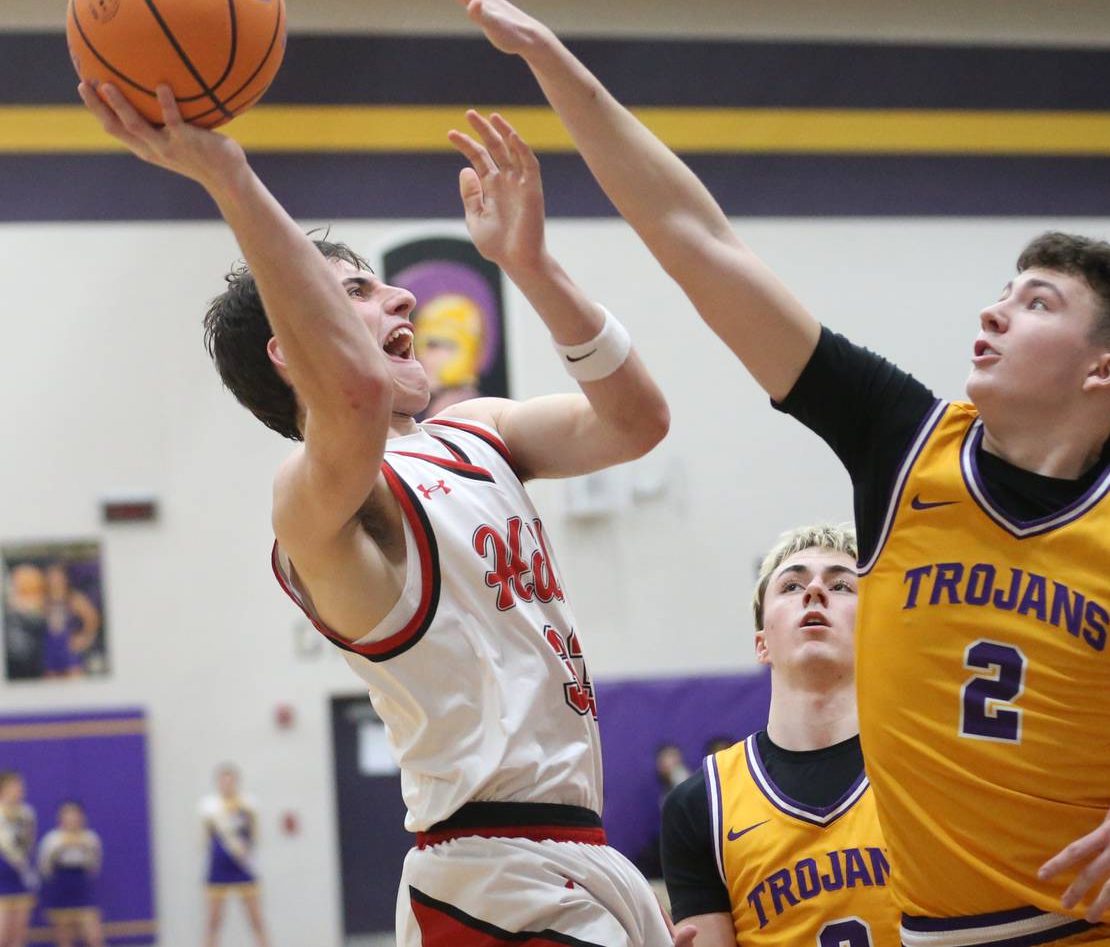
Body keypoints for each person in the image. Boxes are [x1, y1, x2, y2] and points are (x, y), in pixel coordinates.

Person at [388, 0, 1110, 946]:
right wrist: (554, 62)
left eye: (1035, 302)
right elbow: (699, 239)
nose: (994, 314)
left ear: (1103, 371)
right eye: (1000, 292)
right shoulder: (903, 441)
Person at [78, 68, 681, 947]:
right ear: (295, 348)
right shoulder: (309, 499)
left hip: (582, 846)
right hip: (489, 872)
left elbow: (637, 420)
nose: (402, 295)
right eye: (355, 292)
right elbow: (353, 395)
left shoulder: (475, 429)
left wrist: (532, 266)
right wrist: (228, 174)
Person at [661, 524, 897, 946]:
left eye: (842, 585)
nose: (815, 592)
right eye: (791, 585)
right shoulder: (701, 804)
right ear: (762, 644)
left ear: (876, 631)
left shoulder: (928, 771)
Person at [200, 765, 270, 947]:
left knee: (256, 920)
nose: (226, 785)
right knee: (213, 921)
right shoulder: (210, 809)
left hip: (242, 866)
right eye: (223, 782)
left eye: (230, 781)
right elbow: (205, 838)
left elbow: (254, 835)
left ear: (236, 783)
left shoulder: (247, 805)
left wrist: (246, 852)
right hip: (219, 868)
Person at [37, 800, 103, 947]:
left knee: (94, 936)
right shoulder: (52, 839)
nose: (72, 818)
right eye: (68, 814)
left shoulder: (90, 838)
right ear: (60, 817)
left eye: (75, 814)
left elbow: (94, 865)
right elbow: (44, 866)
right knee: (64, 937)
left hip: (81, 887)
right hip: (60, 886)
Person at [0, 772, 36, 947]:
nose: (19, 790)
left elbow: (29, 843)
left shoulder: (27, 813)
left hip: (19, 875)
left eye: (20, 787)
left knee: (19, 936)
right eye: (15, 786)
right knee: (2, 935)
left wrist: (25, 867)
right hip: (1, 876)